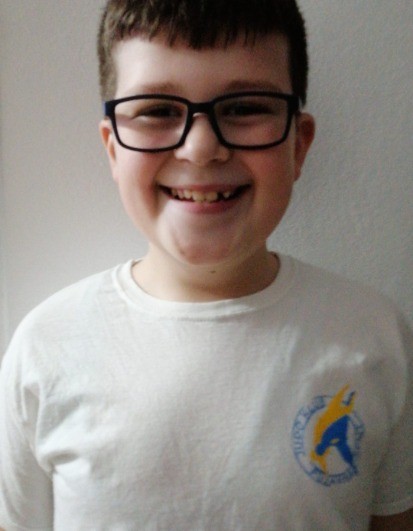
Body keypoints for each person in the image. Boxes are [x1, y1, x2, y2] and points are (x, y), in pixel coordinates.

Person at [1, 0, 412, 528]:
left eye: (245, 107)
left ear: (299, 145)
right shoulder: (46, 349)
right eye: (157, 110)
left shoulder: (374, 338)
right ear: (113, 149)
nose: (201, 148)